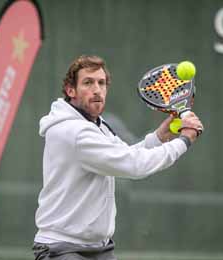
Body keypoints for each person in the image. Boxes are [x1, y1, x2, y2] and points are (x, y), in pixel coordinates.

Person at [32, 55, 204, 260]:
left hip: (99, 249)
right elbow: (133, 165)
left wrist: (159, 136)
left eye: (101, 83)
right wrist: (184, 140)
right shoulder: (75, 132)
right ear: (71, 91)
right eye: (88, 82)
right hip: (62, 250)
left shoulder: (98, 125)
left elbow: (125, 155)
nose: (97, 89)